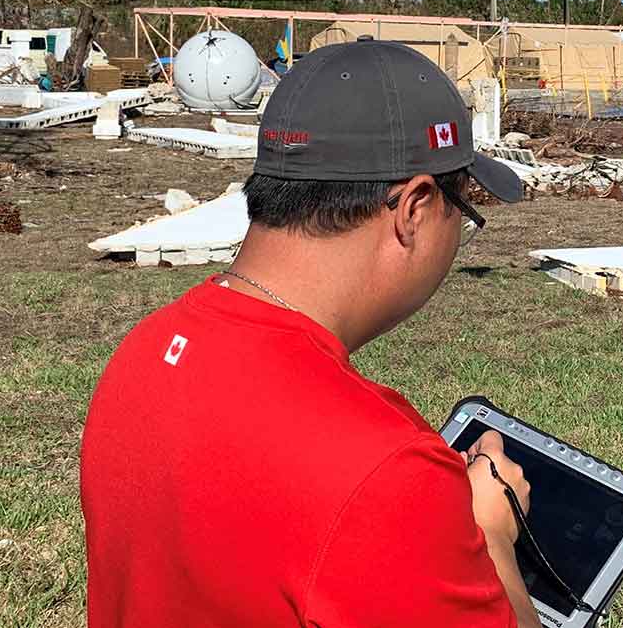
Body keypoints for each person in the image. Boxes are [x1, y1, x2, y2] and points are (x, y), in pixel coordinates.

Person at [81, 40, 541, 628]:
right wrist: (492, 537)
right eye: (463, 211)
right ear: (416, 210)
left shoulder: (143, 351)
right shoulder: (388, 475)